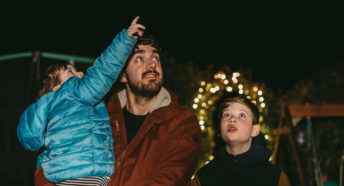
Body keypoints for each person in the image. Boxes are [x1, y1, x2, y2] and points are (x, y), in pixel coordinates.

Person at [17, 16, 145, 185]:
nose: (80, 74)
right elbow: (103, 71)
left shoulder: (46, 109)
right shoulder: (73, 91)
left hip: (61, 178)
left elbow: (32, 140)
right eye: (71, 72)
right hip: (87, 174)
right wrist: (125, 40)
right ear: (57, 88)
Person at [104, 34, 203, 185]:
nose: (152, 65)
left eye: (155, 58)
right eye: (140, 59)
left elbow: (170, 179)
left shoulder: (182, 122)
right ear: (123, 75)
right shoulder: (102, 119)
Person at [197, 95, 291, 186]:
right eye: (227, 115)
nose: (232, 119)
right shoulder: (203, 177)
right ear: (219, 131)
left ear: (254, 130)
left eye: (242, 115)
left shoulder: (275, 178)